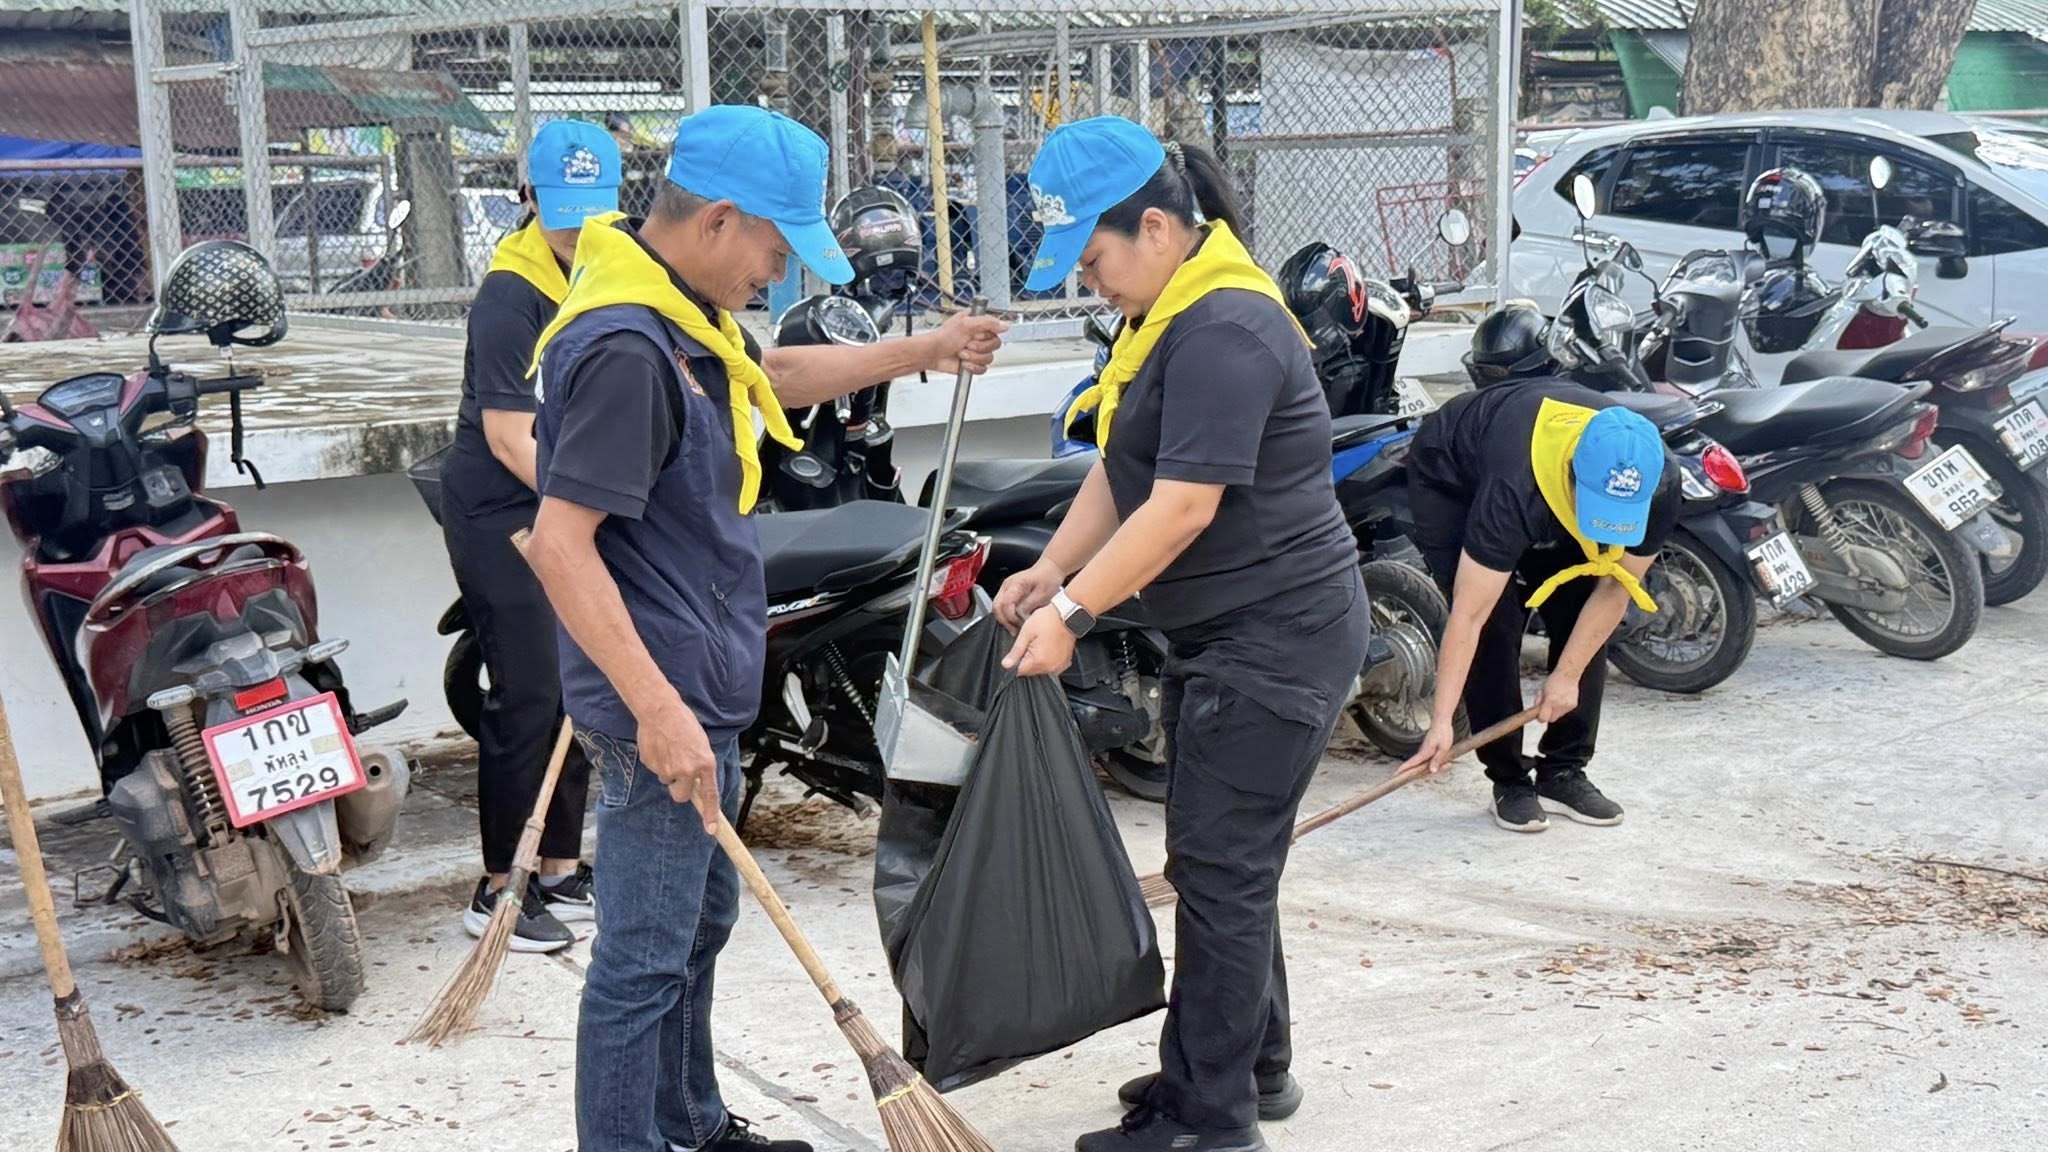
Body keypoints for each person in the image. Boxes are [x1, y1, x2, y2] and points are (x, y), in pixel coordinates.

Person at [522, 103, 1005, 1152]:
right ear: (718, 221)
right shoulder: (625, 348)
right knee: (643, 957)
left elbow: (773, 376)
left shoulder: (679, 317)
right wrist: (658, 713)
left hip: (701, 678)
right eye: (775, 250)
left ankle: (691, 1125)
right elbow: (559, 545)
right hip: (659, 699)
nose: (778, 276)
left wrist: (925, 349)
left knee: (698, 924)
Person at [995, 117, 1370, 1152]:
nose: (1089, 280)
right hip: (1234, 630)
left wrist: (1072, 617)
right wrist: (1051, 568)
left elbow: (1182, 507)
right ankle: (1251, 1064)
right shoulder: (1167, 313)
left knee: (1218, 867)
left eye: (1093, 258)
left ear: (1154, 228)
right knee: (1227, 865)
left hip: (1275, 636)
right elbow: (1127, 467)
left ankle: (1210, 1117)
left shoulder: (1222, 330)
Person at [436, 118, 623, 954]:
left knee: (578, 682)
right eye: (561, 212)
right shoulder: (510, 295)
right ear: (527, 197)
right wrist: (593, 503)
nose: (576, 230)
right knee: (530, 689)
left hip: (568, 496)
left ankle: (558, 866)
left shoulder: (610, 267)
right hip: (501, 507)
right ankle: (498, 886)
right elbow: (513, 439)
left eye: (592, 212)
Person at [1399, 375, 1681, 834]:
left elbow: (1616, 588)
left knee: (1581, 606)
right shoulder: (1515, 486)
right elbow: (1470, 616)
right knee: (1497, 619)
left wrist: (1567, 676)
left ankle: (1563, 771)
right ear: (1573, 473)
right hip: (1453, 476)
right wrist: (1443, 723)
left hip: (1544, 478)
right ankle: (1508, 779)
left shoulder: (1661, 482)